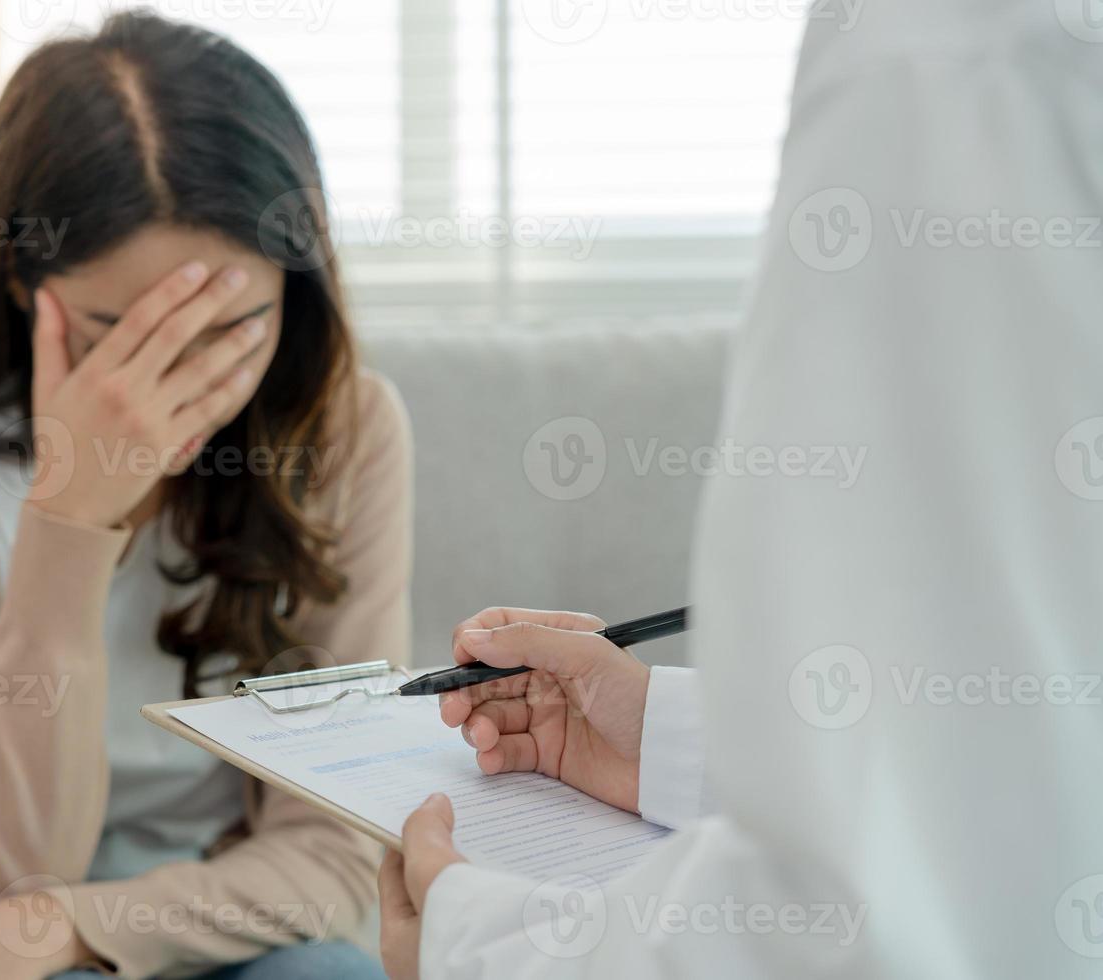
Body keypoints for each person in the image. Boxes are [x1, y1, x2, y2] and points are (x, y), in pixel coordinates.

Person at [380, 1, 1103, 976]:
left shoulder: (946, 54)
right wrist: (666, 742)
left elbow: (847, 918)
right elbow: (1007, 744)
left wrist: (465, 934)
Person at [0, 12, 410, 980]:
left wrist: (76, 926)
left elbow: (330, 850)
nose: (184, 383)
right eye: (129, 331)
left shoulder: (349, 432)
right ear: (27, 284)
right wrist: (71, 519)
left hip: (214, 925)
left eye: (234, 324)